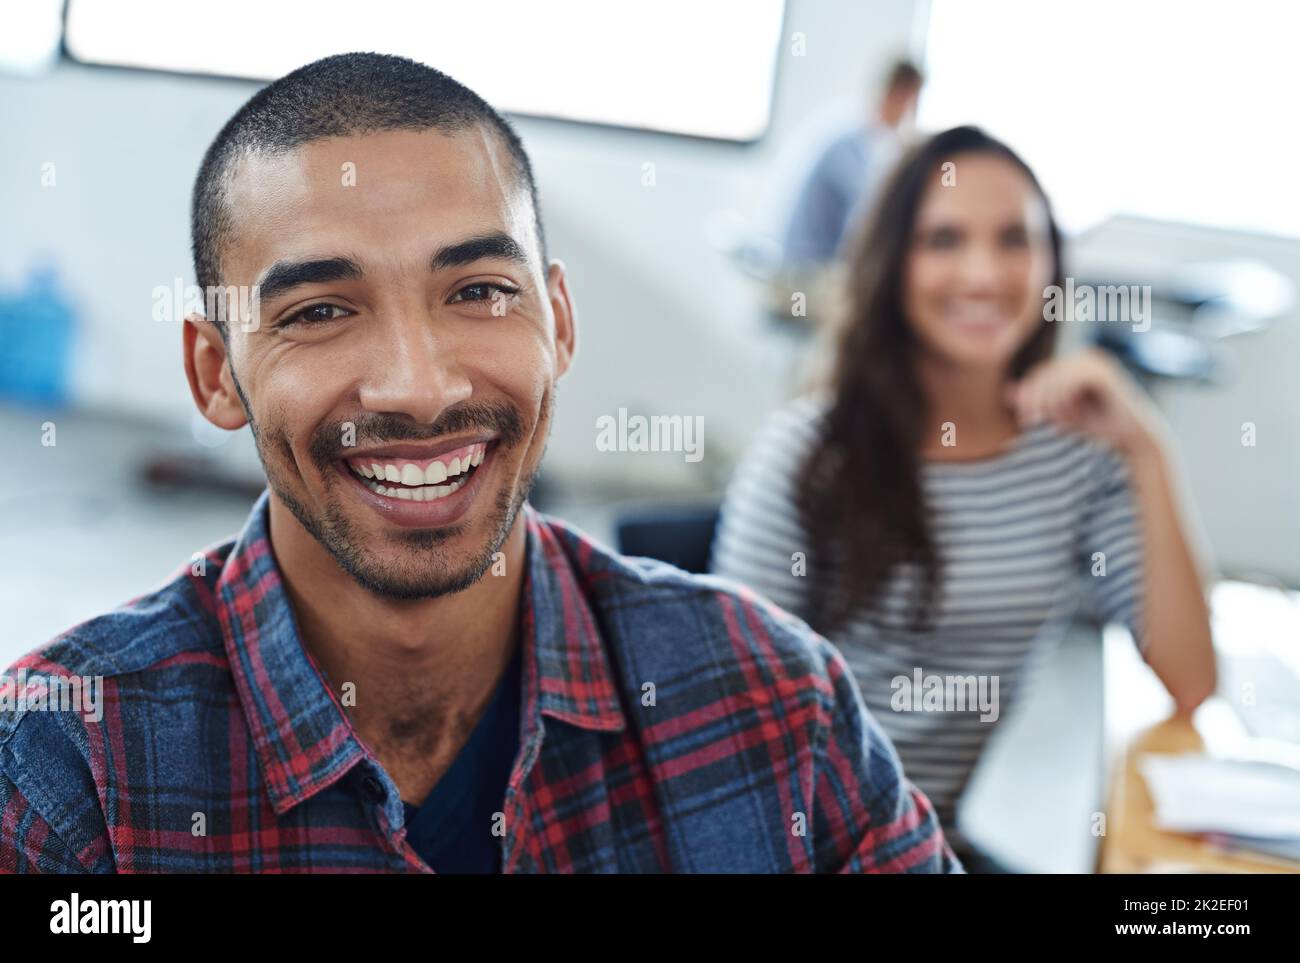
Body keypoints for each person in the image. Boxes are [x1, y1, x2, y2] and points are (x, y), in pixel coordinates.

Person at [0, 53, 959, 874]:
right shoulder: (71, 773)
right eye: (320, 310)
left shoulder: (771, 703)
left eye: (479, 291)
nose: (417, 389)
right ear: (216, 373)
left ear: (561, 322)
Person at [712, 126, 1217, 871]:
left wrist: (1149, 448)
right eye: (945, 239)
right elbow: (729, 733)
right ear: (893, 264)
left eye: (1014, 239)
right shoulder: (809, 451)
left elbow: (1191, 679)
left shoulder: (1081, 457)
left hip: (933, 841)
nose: (983, 273)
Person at [780, 58, 923, 271]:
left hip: (813, 260)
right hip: (806, 267)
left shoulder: (857, 131)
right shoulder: (848, 143)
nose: (909, 115)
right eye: (912, 103)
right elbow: (870, 214)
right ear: (900, 95)